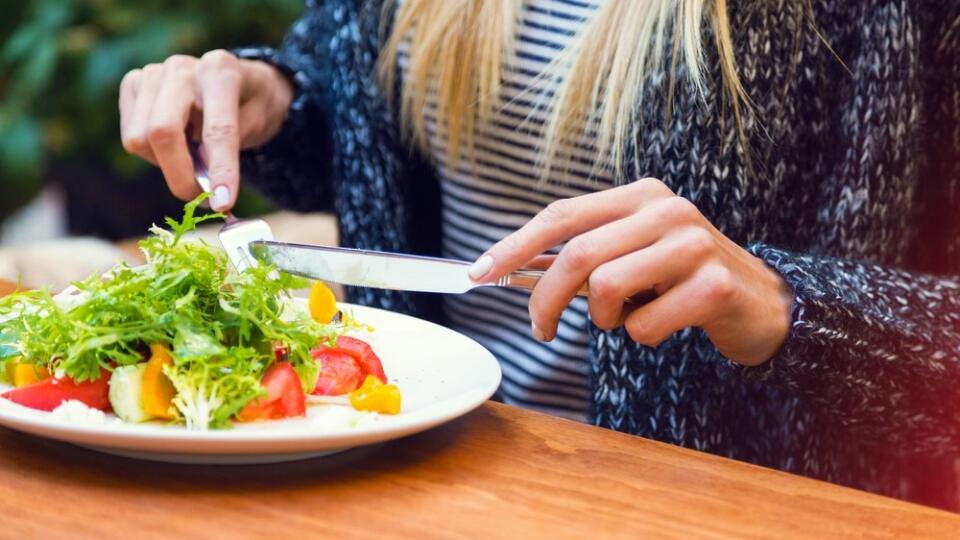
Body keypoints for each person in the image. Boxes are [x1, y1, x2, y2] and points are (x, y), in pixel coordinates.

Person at [118, 0, 960, 509]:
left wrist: (790, 308)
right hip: (404, 481)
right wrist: (276, 101)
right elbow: (373, 141)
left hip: (693, 511)